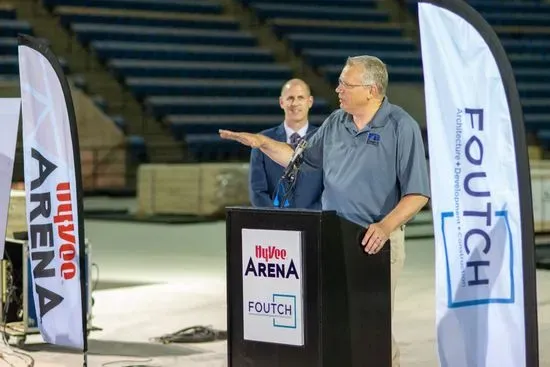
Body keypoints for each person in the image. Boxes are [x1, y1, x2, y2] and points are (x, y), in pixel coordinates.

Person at [220, 55, 430, 367]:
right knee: (335, 322)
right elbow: (299, 160)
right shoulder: (335, 122)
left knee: (372, 325)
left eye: (346, 84)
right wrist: (262, 143)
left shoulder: (401, 127)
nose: (338, 89)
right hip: (333, 238)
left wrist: (384, 228)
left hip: (376, 242)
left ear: (372, 90)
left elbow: (417, 194)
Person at [249, 78, 323, 209]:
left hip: (314, 220)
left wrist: (311, 217)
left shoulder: (322, 139)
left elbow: (328, 188)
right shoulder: (263, 140)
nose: (295, 103)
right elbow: (257, 192)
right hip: (274, 223)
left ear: (310, 101)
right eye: (290, 98)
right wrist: (278, 220)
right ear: (281, 102)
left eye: (300, 97)